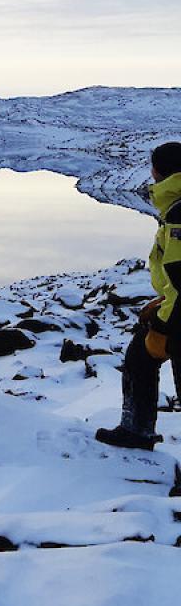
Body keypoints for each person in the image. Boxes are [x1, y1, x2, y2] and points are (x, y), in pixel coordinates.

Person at [95, 141, 181, 450]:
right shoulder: (174, 206)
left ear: (159, 171)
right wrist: (162, 305)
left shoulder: (179, 214)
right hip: (176, 305)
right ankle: (136, 430)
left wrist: (163, 323)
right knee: (138, 357)